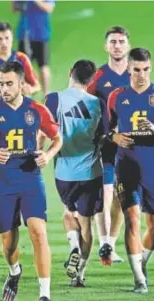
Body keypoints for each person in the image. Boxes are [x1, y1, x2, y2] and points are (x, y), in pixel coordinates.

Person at [0, 61, 62, 301]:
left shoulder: (37, 110)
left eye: (9, 84)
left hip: (30, 179)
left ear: (22, 84)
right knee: (9, 243)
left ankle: (45, 295)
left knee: (38, 232)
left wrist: (48, 156)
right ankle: (14, 270)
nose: (4, 89)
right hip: (2, 182)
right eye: (1, 84)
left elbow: (57, 138)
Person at [106, 48, 154, 293]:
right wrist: (114, 136)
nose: (141, 75)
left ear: (150, 68)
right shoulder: (117, 97)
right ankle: (139, 280)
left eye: (145, 69)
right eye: (136, 70)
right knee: (132, 219)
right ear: (129, 69)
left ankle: (141, 262)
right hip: (126, 167)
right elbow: (105, 129)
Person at [44, 59, 103, 287]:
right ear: (92, 79)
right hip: (91, 171)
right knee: (87, 223)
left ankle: (74, 247)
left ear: (70, 73)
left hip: (64, 171)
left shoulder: (54, 99)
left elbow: (45, 128)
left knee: (69, 213)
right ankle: (79, 274)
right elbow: (104, 136)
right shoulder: (97, 103)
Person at [87, 26, 130, 264]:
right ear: (106, 47)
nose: (117, 45)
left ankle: (111, 244)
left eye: (121, 41)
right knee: (104, 193)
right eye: (113, 41)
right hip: (103, 144)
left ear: (128, 46)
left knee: (120, 197)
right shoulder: (97, 78)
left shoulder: (135, 75)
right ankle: (103, 242)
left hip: (128, 146)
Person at [25, 0, 55, 96]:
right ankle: (26, 94)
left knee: (43, 66)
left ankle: (46, 95)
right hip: (25, 34)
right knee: (23, 67)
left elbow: (49, 8)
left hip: (40, 34)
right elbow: (14, 8)